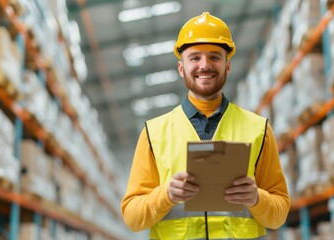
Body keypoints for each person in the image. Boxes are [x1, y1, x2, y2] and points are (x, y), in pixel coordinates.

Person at [121, 12, 290, 240]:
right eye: (195, 58)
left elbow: (279, 215)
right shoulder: (154, 133)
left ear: (227, 66)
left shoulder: (258, 129)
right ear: (181, 68)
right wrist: (166, 194)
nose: (205, 65)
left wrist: (256, 198)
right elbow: (132, 217)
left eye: (214, 57)